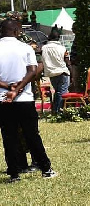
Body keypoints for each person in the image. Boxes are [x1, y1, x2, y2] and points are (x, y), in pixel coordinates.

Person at [0, 19, 57, 183]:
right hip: (24, 98)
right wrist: (18, 89)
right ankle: (46, 169)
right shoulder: (25, 48)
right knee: (32, 135)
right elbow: (32, 71)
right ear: (17, 31)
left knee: (9, 136)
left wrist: (8, 87)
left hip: (3, 99)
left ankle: (14, 173)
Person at [41, 28, 72, 114]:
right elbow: (67, 62)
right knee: (61, 93)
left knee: (58, 92)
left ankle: (55, 110)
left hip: (51, 74)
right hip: (63, 72)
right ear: (58, 38)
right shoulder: (62, 48)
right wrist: (71, 72)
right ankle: (58, 111)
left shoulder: (43, 48)